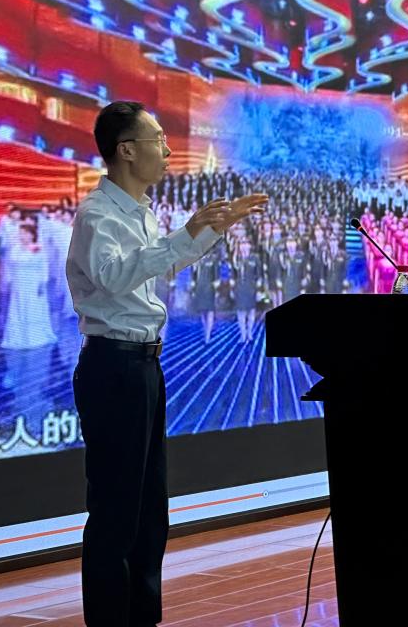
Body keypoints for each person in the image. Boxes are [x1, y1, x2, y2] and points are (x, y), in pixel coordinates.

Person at [65, 101, 267, 627]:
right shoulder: (97, 214)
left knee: (150, 508)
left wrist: (213, 228)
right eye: (157, 139)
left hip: (143, 365)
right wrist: (186, 232)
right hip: (113, 366)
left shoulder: (141, 211)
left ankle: (141, 617)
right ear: (127, 150)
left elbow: (165, 261)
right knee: (116, 509)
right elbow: (114, 276)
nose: (168, 150)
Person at [1, 224, 56, 350]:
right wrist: (9, 281)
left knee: (32, 306)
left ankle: (34, 336)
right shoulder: (15, 248)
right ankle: (18, 337)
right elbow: (10, 265)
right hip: (18, 283)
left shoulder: (38, 248)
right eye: (20, 233)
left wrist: (42, 283)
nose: (22, 236)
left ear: (32, 235)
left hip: (33, 282)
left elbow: (44, 267)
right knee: (18, 306)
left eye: (25, 233)